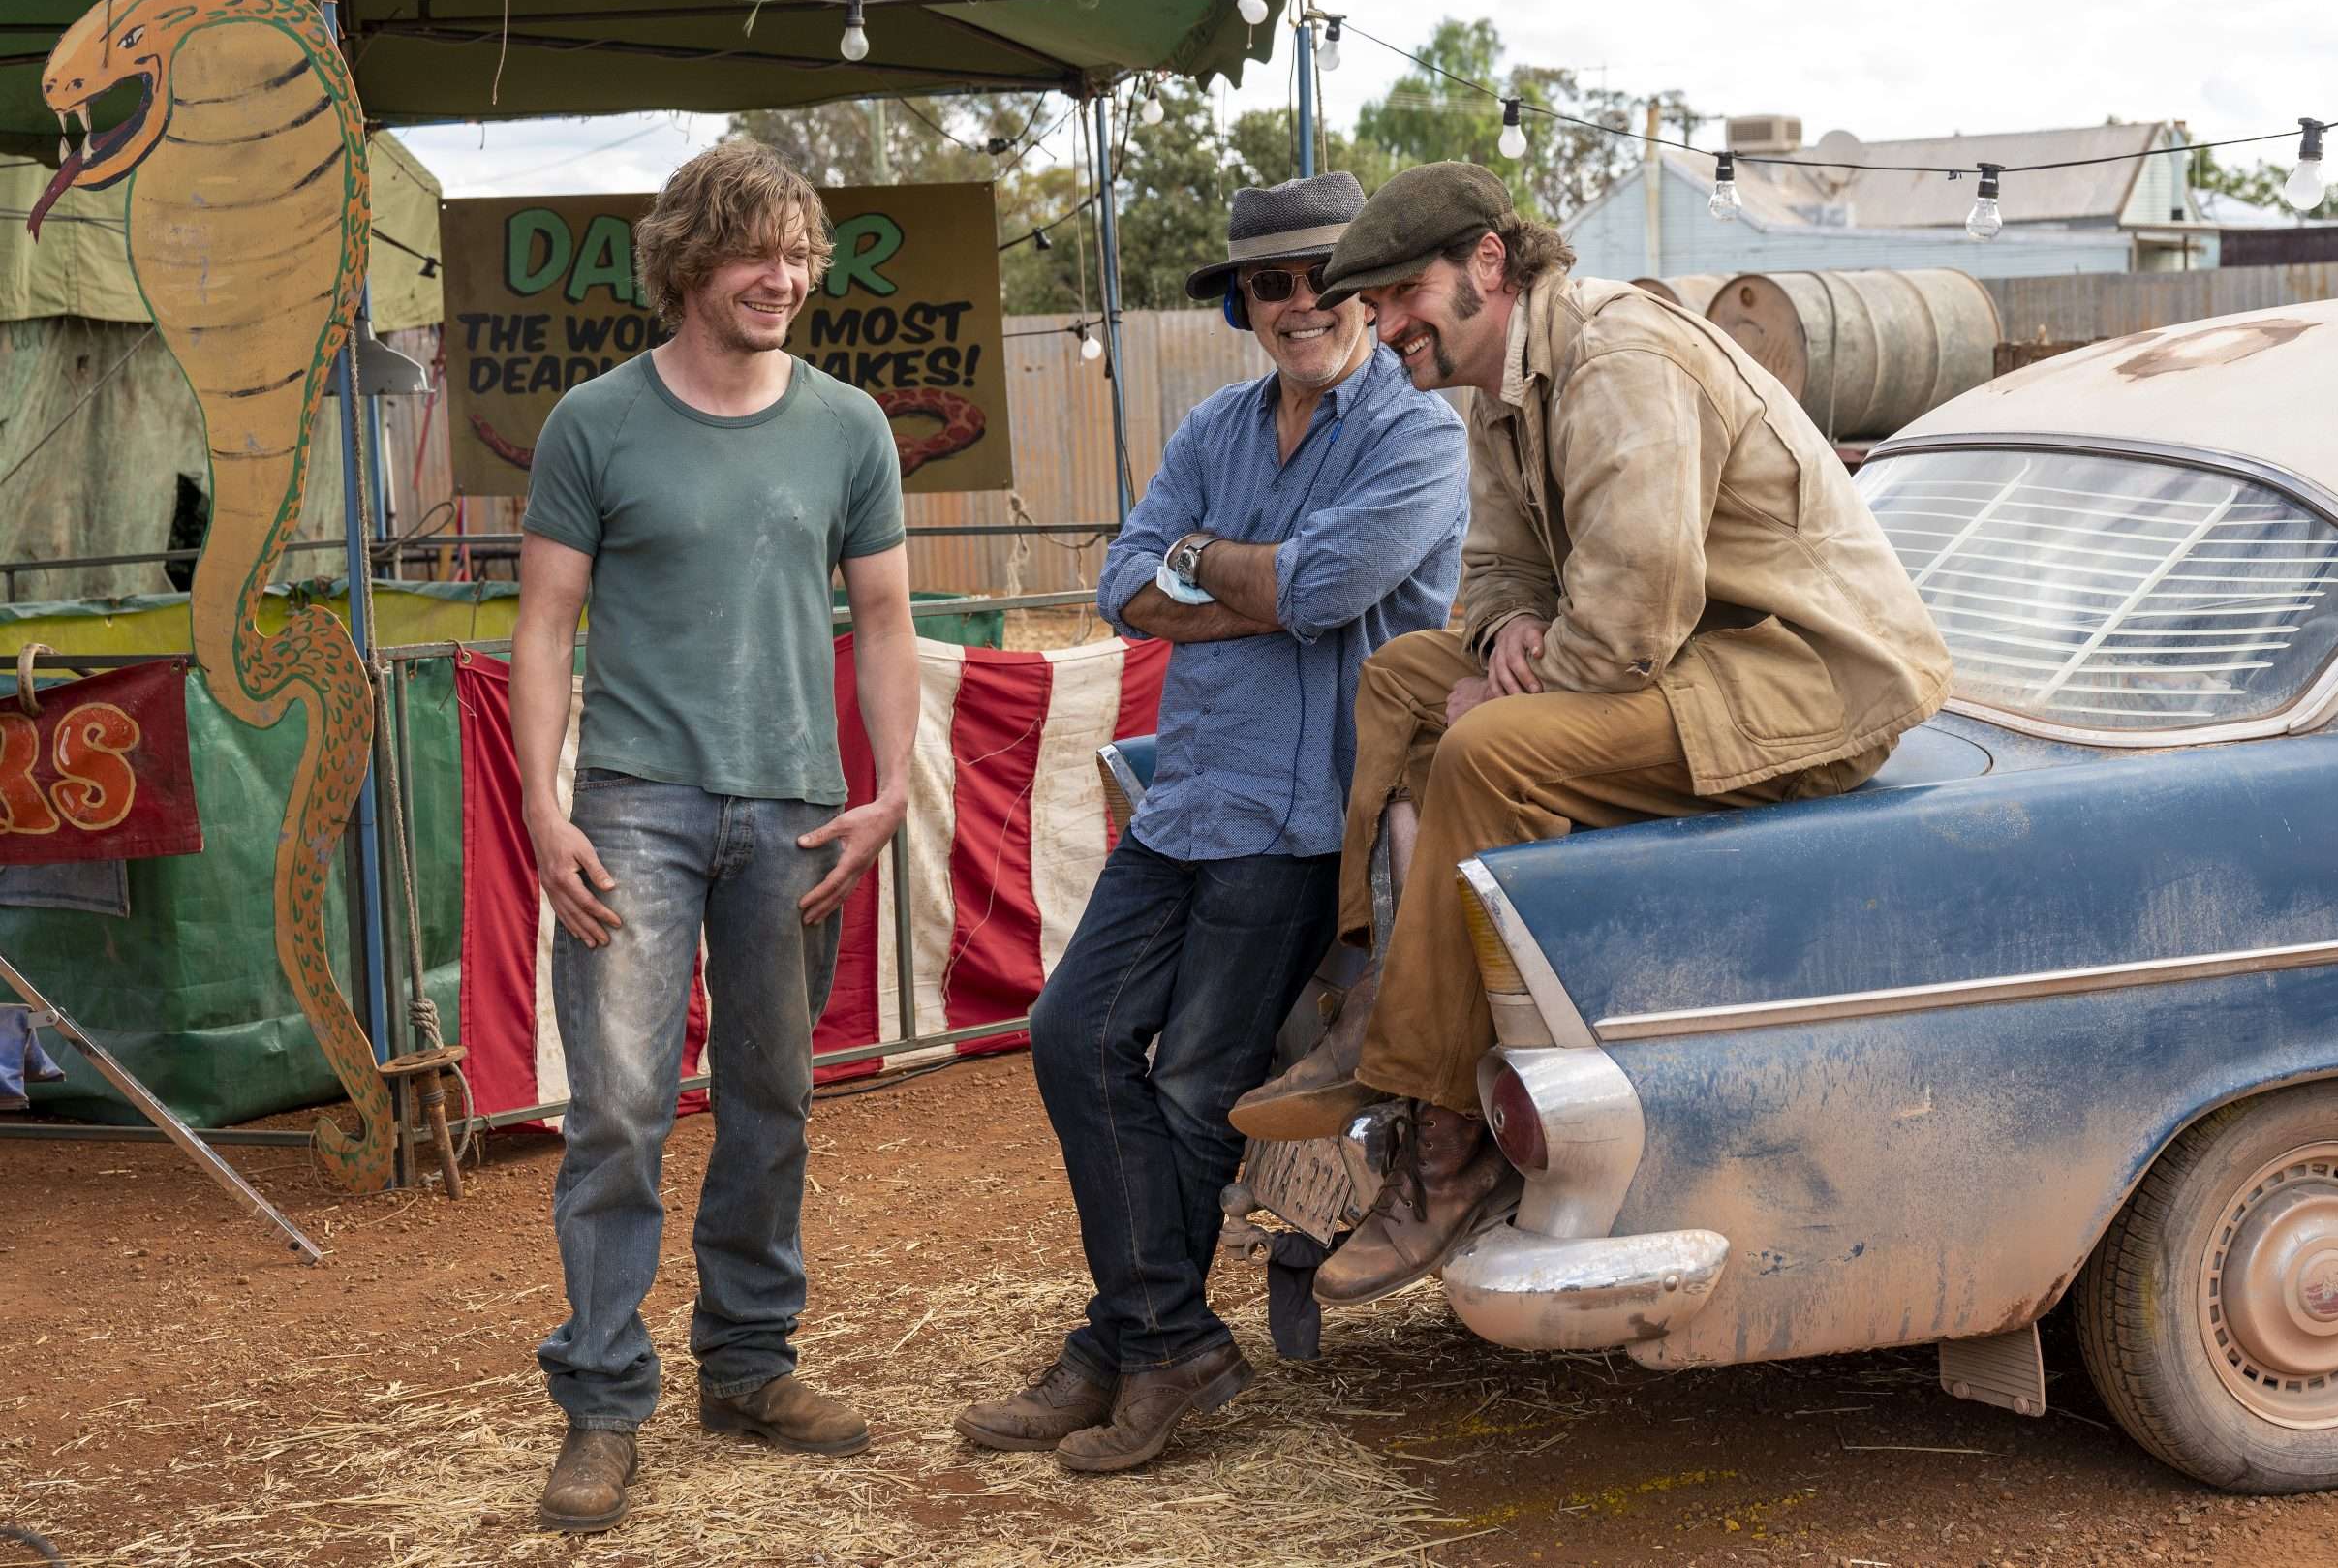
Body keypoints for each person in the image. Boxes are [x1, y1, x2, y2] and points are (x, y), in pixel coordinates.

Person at [1230, 162, 1953, 1308]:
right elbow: (1497, 573)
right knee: (1408, 675)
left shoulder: (1618, 355)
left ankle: (1446, 1140)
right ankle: (1376, 991)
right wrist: (1511, 627)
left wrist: (1519, 683)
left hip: (1807, 682)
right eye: (1368, 302)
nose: (1382, 324)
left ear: (1486, 265)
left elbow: (1632, 611)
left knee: (1486, 748)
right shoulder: (1501, 386)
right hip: (1688, 661)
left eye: (1398, 293)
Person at [954, 171, 1467, 1473]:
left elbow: (1334, 582)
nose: (1302, 302)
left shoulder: (1419, 434)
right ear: (1245, 302)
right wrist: (1262, 588)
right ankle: (1155, 1336)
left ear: (1361, 288)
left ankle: (1129, 1345)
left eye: (1324, 277)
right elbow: (1127, 581)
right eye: (1273, 282)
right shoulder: (1212, 426)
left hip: (1307, 818)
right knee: (1070, 1029)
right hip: (1189, 794)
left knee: (1193, 1085)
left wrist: (1221, 570)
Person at [511, 138, 920, 1533]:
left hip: (799, 802)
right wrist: (540, 800)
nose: (786, 276)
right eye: (758, 252)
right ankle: (603, 1399)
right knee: (620, 1104)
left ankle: (747, 1361)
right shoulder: (595, 422)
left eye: (801, 253)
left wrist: (893, 785)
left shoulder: (848, 424)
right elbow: (547, 623)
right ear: (690, 261)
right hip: (633, 797)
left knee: (775, 1096)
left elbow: (883, 617)